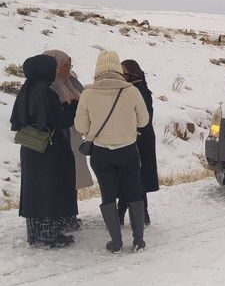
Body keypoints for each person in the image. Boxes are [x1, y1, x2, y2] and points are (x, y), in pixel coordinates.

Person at [74, 50, 150, 252]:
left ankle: (115, 242)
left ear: (98, 68)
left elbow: (80, 127)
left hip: (101, 153)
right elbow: (144, 121)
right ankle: (138, 241)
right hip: (128, 151)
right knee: (133, 192)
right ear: (118, 68)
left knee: (108, 195)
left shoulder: (89, 93)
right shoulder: (131, 92)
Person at [10, 55, 78, 248]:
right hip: (49, 146)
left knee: (34, 190)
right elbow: (60, 120)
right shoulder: (46, 91)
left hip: (30, 146)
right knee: (51, 189)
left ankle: (34, 234)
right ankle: (50, 235)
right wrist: (74, 107)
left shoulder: (26, 88)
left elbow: (19, 119)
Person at [43, 49, 94, 232]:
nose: (68, 69)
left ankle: (70, 215)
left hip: (73, 134)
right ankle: (61, 217)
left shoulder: (69, 82)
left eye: (69, 65)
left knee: (72, 177)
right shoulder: (49, 86)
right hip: (59, 136)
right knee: (62, 177)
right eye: (65, 65)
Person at [117, 59, 159, 227]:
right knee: (135, 177)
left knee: (134, 177)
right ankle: (140, 214)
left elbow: (142, 118)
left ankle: (128, 213)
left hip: (139, 139)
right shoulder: (137, 89)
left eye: (123, 73)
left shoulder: (137, 91)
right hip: (140, 138)